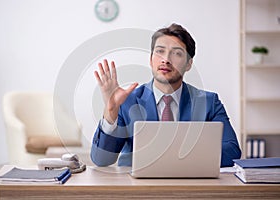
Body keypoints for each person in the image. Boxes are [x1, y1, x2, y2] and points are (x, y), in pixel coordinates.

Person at [91, 23, 241, 167]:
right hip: (137, 188)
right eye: (160, 51)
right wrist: (111, 110)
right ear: (150, 60)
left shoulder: (209, 103)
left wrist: (174, 157)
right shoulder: (127, 101)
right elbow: (101, 159)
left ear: (188, 64)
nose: (166, 60)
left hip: (190, 186)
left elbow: (232, 151)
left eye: (176, 53)